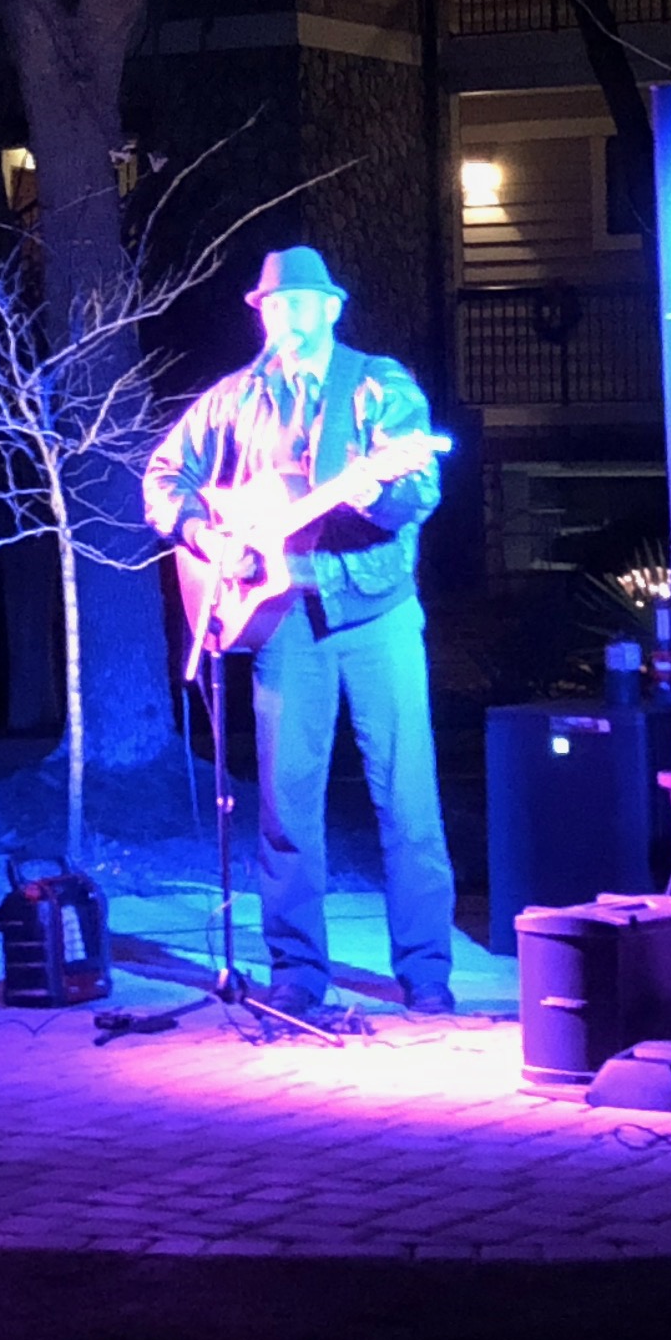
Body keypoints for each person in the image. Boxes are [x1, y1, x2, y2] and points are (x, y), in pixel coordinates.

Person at [142, 245, 457, 1018]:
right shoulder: (236, 397)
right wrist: (203, 535)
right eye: (273, 305)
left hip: (377, 615)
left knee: (407, 800)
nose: (284, 315)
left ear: (331, 308)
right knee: (287, 807)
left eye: (299, 303)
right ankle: (297, 971)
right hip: (281, 621)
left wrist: (370, 492)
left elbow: (419, 489)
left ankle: (425, 970)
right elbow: (162, 474)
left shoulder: (377, 385)